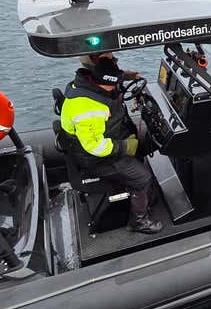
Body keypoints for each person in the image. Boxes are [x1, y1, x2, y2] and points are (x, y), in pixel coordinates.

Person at [60, 58, 162, 234]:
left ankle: (143, 196)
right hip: (94, 158)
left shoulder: (87, 82)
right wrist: (125, 147)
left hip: (104, 139)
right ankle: (139, 222)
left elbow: (113, 78)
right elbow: (94, 146)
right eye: (113, 85)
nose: (116, 88)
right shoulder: (88, 109)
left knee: (141, 147)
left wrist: (129, 76)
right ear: (105, 83)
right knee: (142, 178)